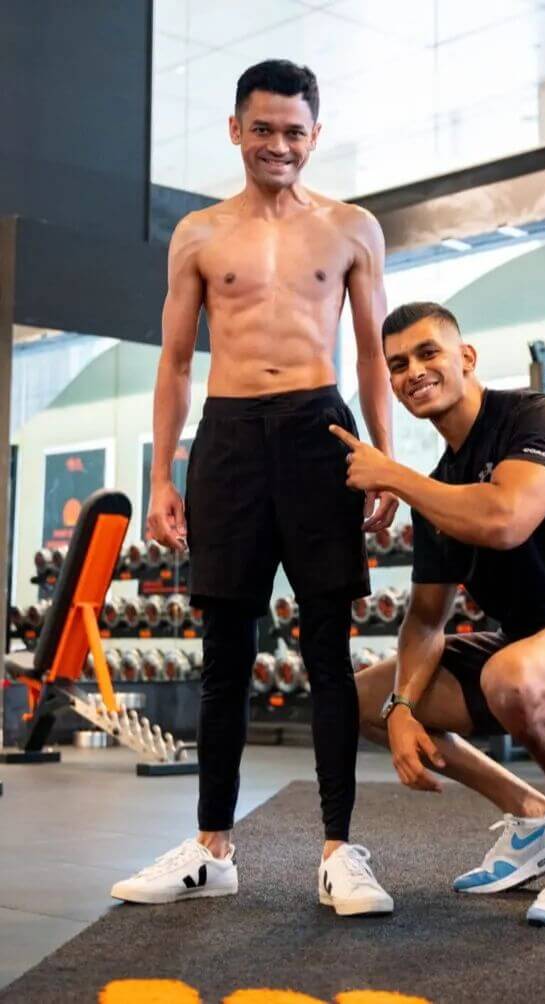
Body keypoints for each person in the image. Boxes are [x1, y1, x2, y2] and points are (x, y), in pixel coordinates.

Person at [111, 60, 398, 917]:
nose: (279, 145)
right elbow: (173, 363)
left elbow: (374, 354)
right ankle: (213, 848)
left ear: (316, 135)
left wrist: (385, 459)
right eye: (263, 129)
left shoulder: (352, 229)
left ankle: (340, 851)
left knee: (328, 650)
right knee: (225, 655)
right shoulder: (198, 234)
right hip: (230, 439)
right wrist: (161, 475)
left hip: (319, 431)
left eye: (294, 132)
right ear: (235, 130)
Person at [330, 301, 545, 928]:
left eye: (428, 353)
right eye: (397, 365)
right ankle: (536, 818)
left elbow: (506, 519)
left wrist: (395, 477)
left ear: (466, 357)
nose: (413, 372)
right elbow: (425, 623)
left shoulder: (541, 418)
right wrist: (400, 709)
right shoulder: (439, 485)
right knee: (361, 698)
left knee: (513, 676)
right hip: (526, 648)